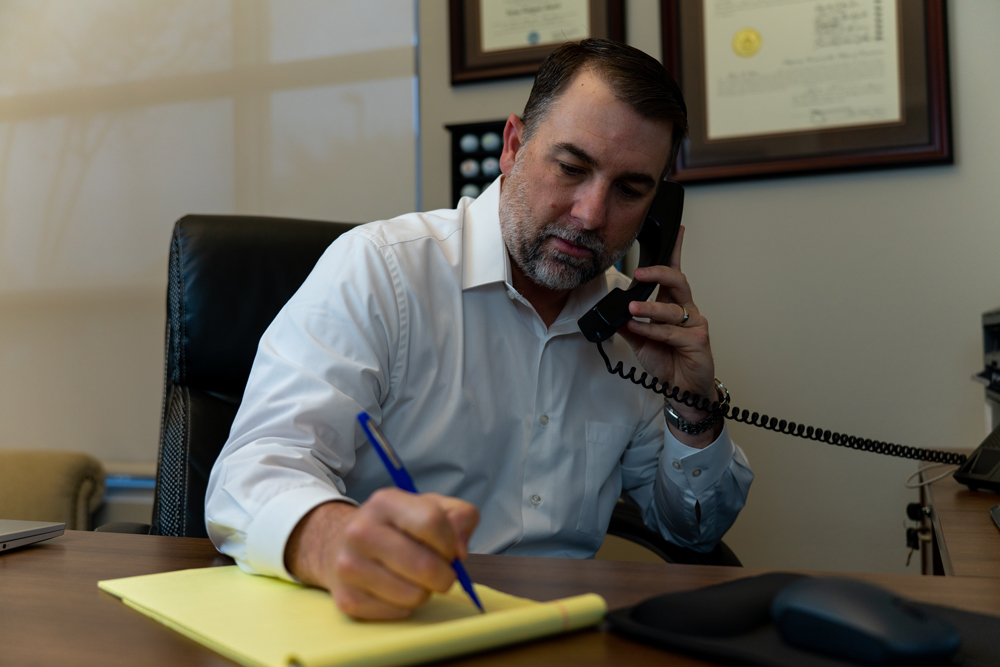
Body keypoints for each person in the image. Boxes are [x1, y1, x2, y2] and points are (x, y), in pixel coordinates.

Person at [205, 39, 752, 620]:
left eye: (630, 190)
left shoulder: (633, 328)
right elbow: (255, 470)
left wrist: (692, 408)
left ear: (657, 209)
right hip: (398, 619)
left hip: (561, 633)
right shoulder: (381, 269)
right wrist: (333, 541)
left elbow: (694, 532)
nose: (591, 213)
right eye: (571, 168)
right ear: (514, 146)